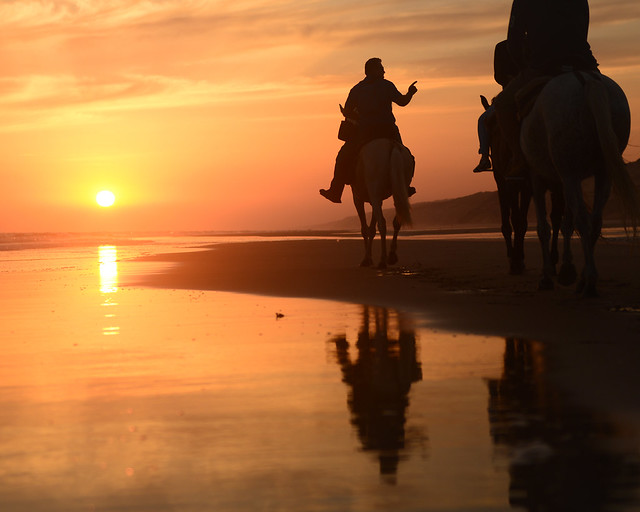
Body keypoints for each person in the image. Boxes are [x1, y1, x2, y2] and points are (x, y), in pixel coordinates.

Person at [492, 0, 598, 177]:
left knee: (503, 105)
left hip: (544, 65)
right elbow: (584, 29)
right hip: (584, 63)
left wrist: (525, 66)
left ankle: (519, 158)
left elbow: (514, 41)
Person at [320, 58, 418, 203]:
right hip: (389, 130)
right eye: (381, 68)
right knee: (407, 155)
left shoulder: (357, 89)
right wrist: (410, 93)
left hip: (365, 132)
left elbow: (348, 112)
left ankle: (335, 191)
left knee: (343, 157)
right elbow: (402, 102)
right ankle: (406, 186)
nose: (384, 71)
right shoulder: (387, 85)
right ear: (372, 70)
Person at [473, 40, 520, 173]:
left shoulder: (502, 47)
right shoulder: (537, 43)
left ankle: (484, 157)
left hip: (512, 91)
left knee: (482, 120)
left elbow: (498, 76)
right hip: (535, 86)